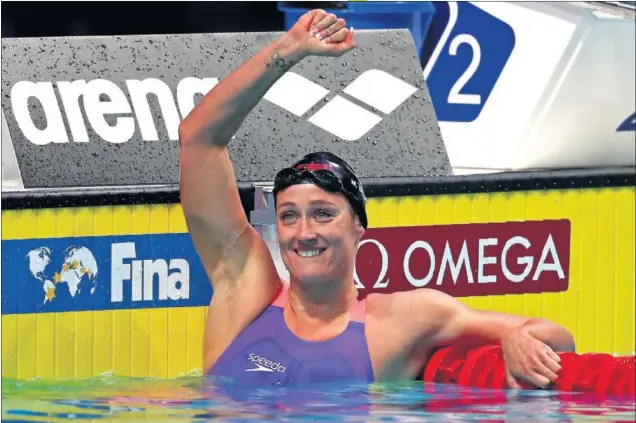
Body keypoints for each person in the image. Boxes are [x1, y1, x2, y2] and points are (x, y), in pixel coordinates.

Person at [178, 9, 575, 388]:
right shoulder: (245, 290)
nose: (303, 233)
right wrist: (289, 49)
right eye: (288, 216)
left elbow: (560, 338)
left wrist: (520, 338)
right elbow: (198, 139)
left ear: (358, 227)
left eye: (322, 214)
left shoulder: (401, 321)